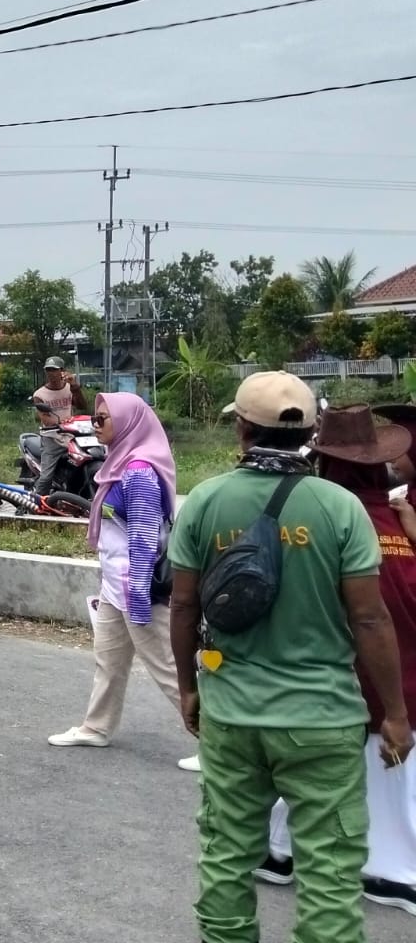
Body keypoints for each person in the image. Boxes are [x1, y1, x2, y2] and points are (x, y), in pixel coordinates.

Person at [169, 375, 413, 942]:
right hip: (323, 719)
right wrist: (396, 714)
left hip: (232, 714)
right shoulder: (342, 507)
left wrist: (189, 687)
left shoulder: (207, 499)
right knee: (329, 870)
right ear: (311, 433)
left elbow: (183, 606)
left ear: (242, 428)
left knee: (228, 854)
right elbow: (370, 619)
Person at [259, 405, 416, 918]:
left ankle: (297, 855)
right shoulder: (400, 518)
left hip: (345, 676)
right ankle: (380, 867)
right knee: (387, 777)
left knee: (318, 771)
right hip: (404, 673)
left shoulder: (325, 521)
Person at [46, 393, 197, 770]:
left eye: (102, 420)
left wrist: (139, 593)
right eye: (94, 419)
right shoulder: (118, 463)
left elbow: (146, 539)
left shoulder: (139, 472)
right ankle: (96, 727)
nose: (96, 426)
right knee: (109, 661)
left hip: (136, 586)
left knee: (166, 665)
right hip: (115, 584)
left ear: (129, 422)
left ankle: (217, 745)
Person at [32, 357, 88, 496]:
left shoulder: (69, 388)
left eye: (55, 370)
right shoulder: (39, 395)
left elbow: (82, 406)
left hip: (71, 436)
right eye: (48, 370)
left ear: (62, 371)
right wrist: (62, 423)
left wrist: (75, 387)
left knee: (85, 462)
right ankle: (36, 504)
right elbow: (45, 419)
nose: (51, 373)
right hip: (52, 437)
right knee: (46, 477)